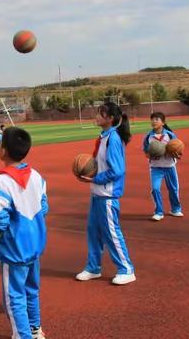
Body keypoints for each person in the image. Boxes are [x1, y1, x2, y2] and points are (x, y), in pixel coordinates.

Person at [0, 127, 48, 339]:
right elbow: (44, 207)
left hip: (13, 250)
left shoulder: (1, 182)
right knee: (31, 291)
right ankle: (36, 330)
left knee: (14, 298)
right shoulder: (37, 176)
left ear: (3, 151)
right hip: (34, 246)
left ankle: (22, 335)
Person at [75, 102, 136, 285]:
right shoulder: (103, 137)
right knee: (93, 232)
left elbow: (117, 171)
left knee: (111, 233)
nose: (96, 116)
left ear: (110, 118)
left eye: (100, 113)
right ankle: (93, 268)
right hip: (97, 194)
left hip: (108, 195)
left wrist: (94, 179)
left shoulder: (113, 139)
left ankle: (126, 269)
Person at [143, 112, 183, 221]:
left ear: (163, 122)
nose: (154, 121)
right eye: (152, 119)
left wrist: (176, 154)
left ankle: (175, 209)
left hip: (170, 166)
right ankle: (158, 212)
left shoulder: (170, 135)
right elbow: (146, 153)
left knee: (173, 189)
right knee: (155, 189)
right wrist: (152, 154)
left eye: (157, 119)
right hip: (156, 168)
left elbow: (178, 151)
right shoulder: (148, 137)